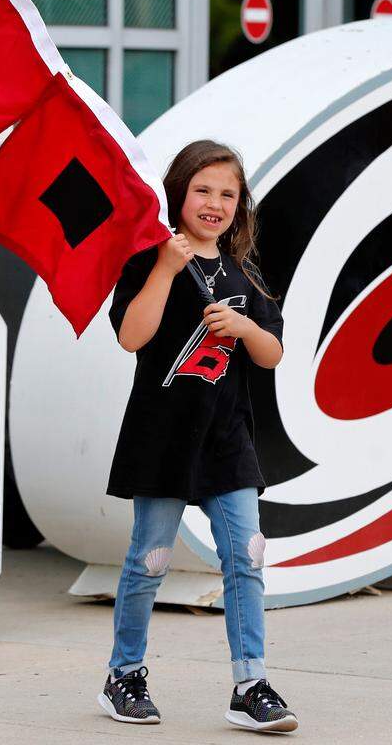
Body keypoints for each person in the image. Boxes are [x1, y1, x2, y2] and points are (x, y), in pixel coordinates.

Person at [98, 140, 298, 733]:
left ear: (241, 206)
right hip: (161, 437)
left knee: (247, 555)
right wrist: (162, 266)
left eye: (227, 194)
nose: (214, 203)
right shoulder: (149, 261)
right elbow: (131, 337)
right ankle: (124, 674)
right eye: (202, 190)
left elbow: (273, 353)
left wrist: (242, 326)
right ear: (178, 194)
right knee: (149, 561)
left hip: (227, 442)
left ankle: (250, 682)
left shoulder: (246, 276)